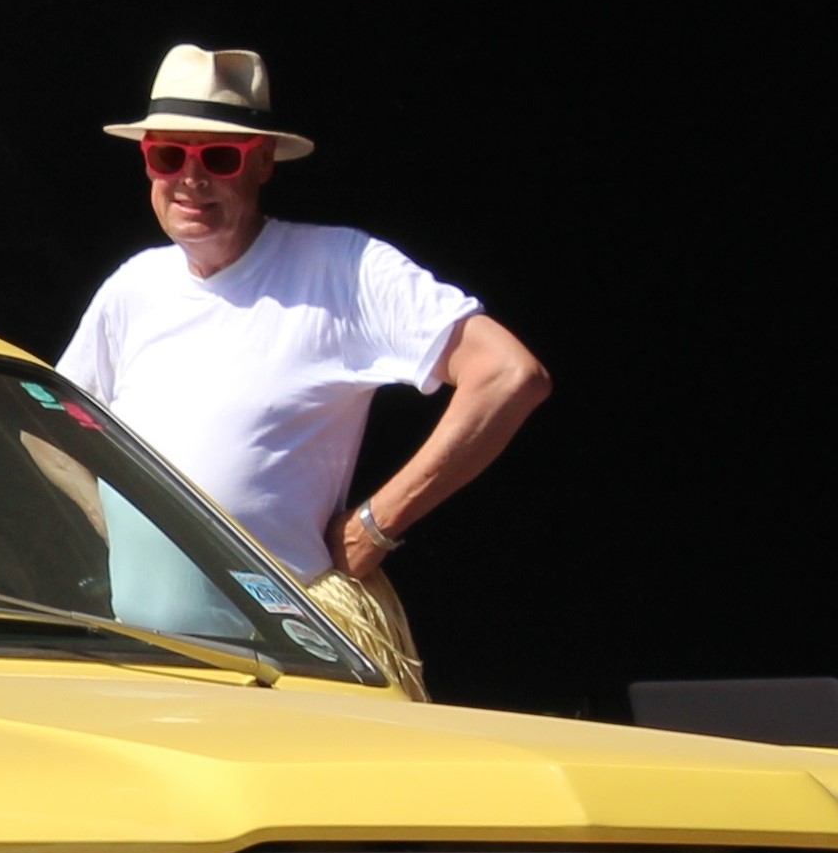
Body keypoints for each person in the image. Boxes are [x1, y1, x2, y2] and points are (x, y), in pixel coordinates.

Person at [55, 45, 549, 695]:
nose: (191, 180)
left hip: (285, 666)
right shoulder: (134, 287)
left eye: (220, 158)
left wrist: (377, 524)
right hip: (148, 666)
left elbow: (508, 375)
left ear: (261, 163)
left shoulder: (343, 269)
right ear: (146, 158)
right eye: (169, 156)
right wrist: (118, 528)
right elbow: (50, 424)